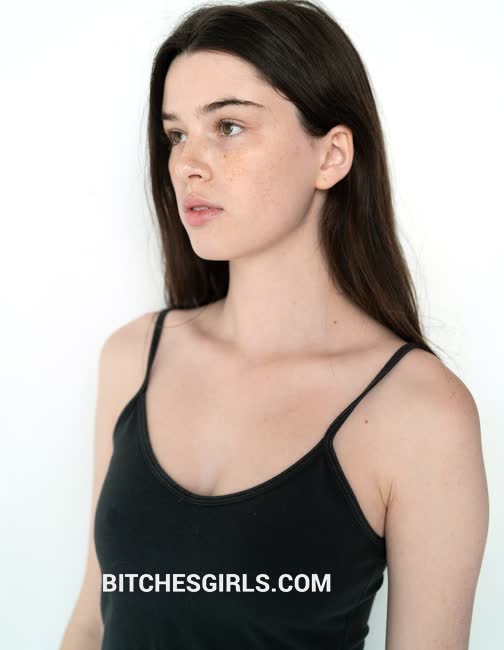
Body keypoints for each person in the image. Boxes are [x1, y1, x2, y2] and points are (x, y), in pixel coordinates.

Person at [60, 1, 489, 648]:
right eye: (175, 135)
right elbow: (92, 621)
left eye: (228, 126)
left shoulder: (420, 414)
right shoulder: (132, 358)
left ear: (332, 156)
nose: (187, 164)